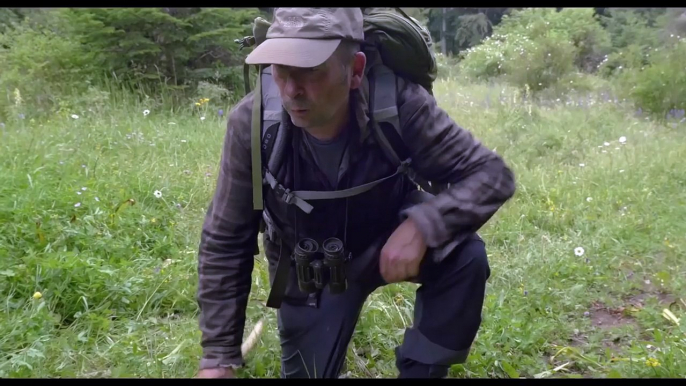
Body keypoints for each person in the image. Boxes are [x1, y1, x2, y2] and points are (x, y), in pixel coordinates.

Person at [195, 8, 515, 379]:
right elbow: (225, 239)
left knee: (465, 255)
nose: (291, 89)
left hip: (386, 239)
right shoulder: (253, 122)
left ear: (355, 71)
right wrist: (218, 357)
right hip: (309, 269)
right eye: (280, 69)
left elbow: (492, 175)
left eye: (311, 70)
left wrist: (424, 226)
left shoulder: (400, 104)